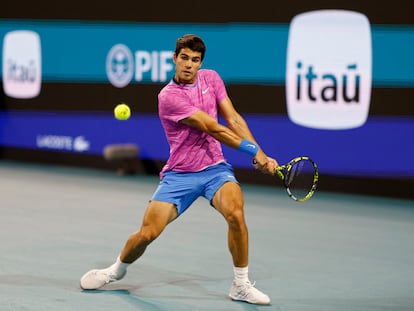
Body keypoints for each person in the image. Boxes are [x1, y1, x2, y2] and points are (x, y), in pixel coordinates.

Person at [80, 34, 278, 305]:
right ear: (174, 59)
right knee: (147, 234)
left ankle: (241, 285)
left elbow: (232, 118)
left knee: (235, 214)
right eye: (184, 58)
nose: (189, 65)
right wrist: (255, 153)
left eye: (195, 60)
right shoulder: (168, 97)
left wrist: (262, 155)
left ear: (201, 63)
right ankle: (115, 271)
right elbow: (213, 127)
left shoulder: (212, 79)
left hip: (215, 169)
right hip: (180, 174)